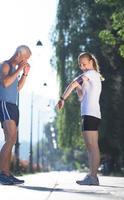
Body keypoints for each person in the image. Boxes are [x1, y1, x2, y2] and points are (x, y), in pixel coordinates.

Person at [56, 52, 104, 186]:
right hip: (89, 114)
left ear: (91, 62)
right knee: (91, 147)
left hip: (90, 114)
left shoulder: (90, 74)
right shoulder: (91, 76)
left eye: (84, 64)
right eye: (80, 65)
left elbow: (73, 82)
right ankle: (92, 175)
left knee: (93, 147)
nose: (82, 67)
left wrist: (62, 99)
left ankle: (93, 177)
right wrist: (78, 88)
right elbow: (82, 97)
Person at [0, 45, 31, 185]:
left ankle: (6, 173)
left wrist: (25, 73)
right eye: (26, 58)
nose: (26, 61)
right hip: (4, 104)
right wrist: (21, 69)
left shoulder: (15, 69)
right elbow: (5, 83)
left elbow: (17, 88)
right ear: (18, 56)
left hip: (12, 105)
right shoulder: (5, 66)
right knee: (10, 139)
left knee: (11, 139)